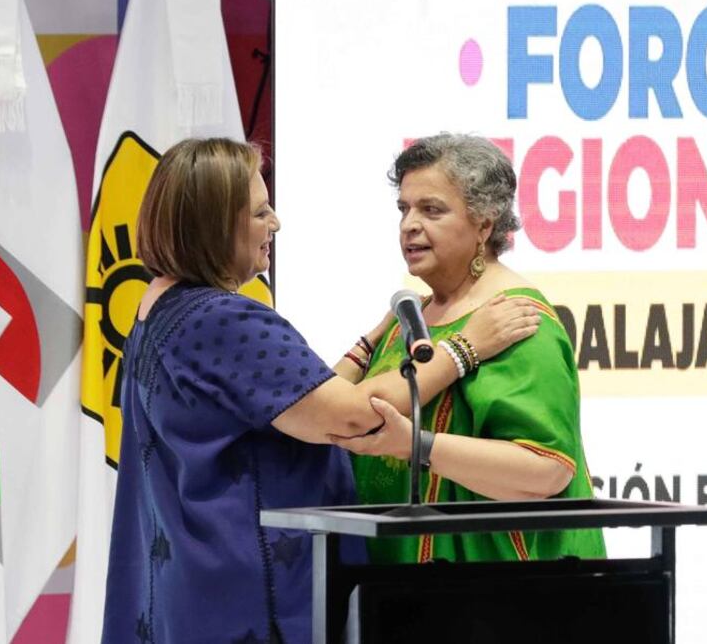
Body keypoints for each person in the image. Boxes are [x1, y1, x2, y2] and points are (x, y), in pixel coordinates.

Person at [101, 137, 540, 644]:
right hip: (254, 603)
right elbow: (350, 416)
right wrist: (466, 348)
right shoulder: (224, 318)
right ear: (214, 224)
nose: (276, 223)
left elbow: (292, 406)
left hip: (193, 593)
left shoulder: (160, 307)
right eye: (260, 211)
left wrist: (367, 344)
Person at [333, 133, 606, 564]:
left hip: (493, 595)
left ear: (484, 224)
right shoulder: (414, 315)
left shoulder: (516, 318)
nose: (409, 224)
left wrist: (418, 445)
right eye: (404, 208)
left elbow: (545, 469)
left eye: (432, 210)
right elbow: (347, 411)